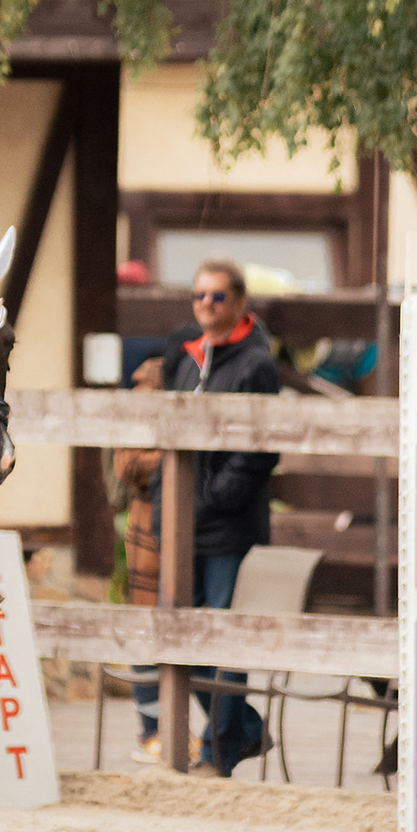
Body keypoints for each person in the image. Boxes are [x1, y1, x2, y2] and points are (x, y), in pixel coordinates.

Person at [135, 260, 280, 773]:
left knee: (220, 637)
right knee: (181, 636)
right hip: (178, 524)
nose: (206, 306)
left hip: (227, 527)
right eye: (198, 296)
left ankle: (220, 750)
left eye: (217, 297)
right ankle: (244, 731)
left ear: (239, 301)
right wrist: (162, 503)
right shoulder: (184, 354)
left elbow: (260, 450)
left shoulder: (256, 365)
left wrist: (213, 499)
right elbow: (167, 436)